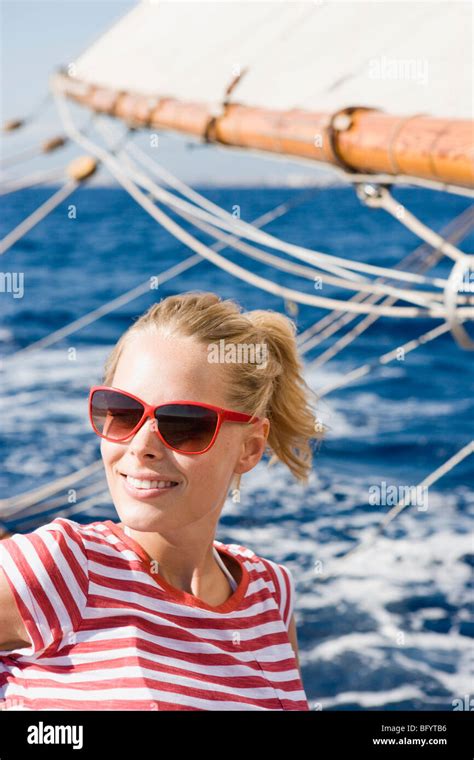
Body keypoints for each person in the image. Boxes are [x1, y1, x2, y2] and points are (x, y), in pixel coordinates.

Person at [0, 291, 321, 710]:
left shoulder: (272, 595)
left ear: (250, 447)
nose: (141, 445)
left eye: (184, 423)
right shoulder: (60, 567)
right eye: (122, 411)